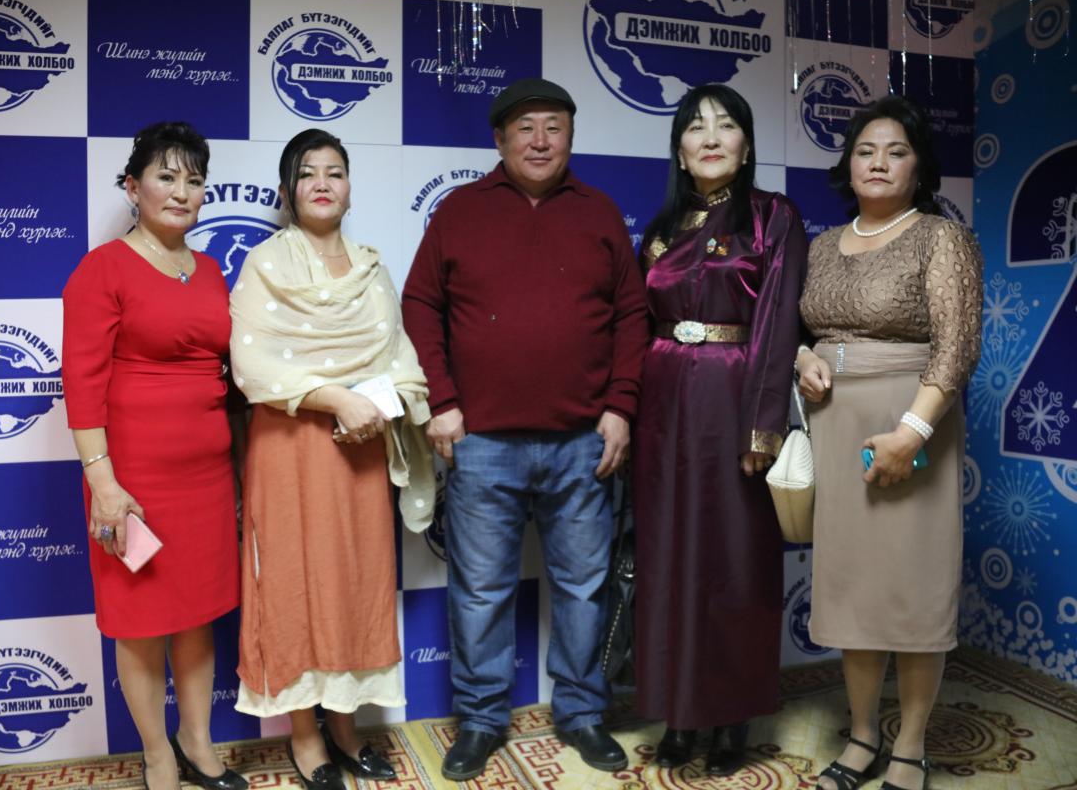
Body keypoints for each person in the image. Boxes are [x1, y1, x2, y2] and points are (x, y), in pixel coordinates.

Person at [402, 77, 650, 781]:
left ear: (571, 135)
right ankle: (481, 720)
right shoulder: (459, 211)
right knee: (481, 591)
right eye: (526, 128)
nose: (540, 141)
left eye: (554, 127)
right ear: (500, 138)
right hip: (481, 441)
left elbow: (633, 316)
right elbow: (420, 305)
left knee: (583, 588)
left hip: (583, 443)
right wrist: (442, 401)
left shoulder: (599, 213)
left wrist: (620, 407)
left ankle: (582, 713)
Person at [228, 128, 435, 790]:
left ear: (349, 189)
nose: (322, 182)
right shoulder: (264, 265)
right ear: (287, 191)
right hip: (288, 448)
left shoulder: (374, 269)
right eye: (308, 172)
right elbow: (253, 367)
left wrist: (372, 407)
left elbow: (402, 363)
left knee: (354, 581)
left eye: (335, 172)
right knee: (291, 583)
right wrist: (337, 399)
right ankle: (305, 734)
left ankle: (346, 726)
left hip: (359, 451)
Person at [797, 95, 982, 790]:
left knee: (912, 584)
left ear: (918, 166)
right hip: (835, 424)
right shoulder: (821, 244)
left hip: (910, 423)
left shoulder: (941, 237)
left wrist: (913, 432)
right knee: (855, 588)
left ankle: (911, 743)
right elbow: (805, 332)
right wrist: (802, 357)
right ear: (848, 164)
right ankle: (862, 735)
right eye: (865, 150)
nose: (878, 162)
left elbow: (957, 347)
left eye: (896, 151)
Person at [61, 122, 246, 790]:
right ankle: (156, 756)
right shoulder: (103, 268)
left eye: (194, 180)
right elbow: (81, 384)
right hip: (132, 481)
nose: (181, 192)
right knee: (140, 623)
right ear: (133, 187)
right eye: (166, 177)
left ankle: (196, 743)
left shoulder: (212, 270)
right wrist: (104, 485)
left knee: (197, 615)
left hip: (207, 477)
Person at [631, 84, 809, 775]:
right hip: (662, 404)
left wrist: (762, 426)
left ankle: (732, 716)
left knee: (735, 561)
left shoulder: (771, 216)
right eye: (695, 127)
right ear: (679, 148)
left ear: (746, 144)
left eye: (726, 125)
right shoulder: (659, 229)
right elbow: (635, 325)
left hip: (734, 396)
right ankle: (679, 713)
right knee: (669, 559)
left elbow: (778, 323)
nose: (710, 137)